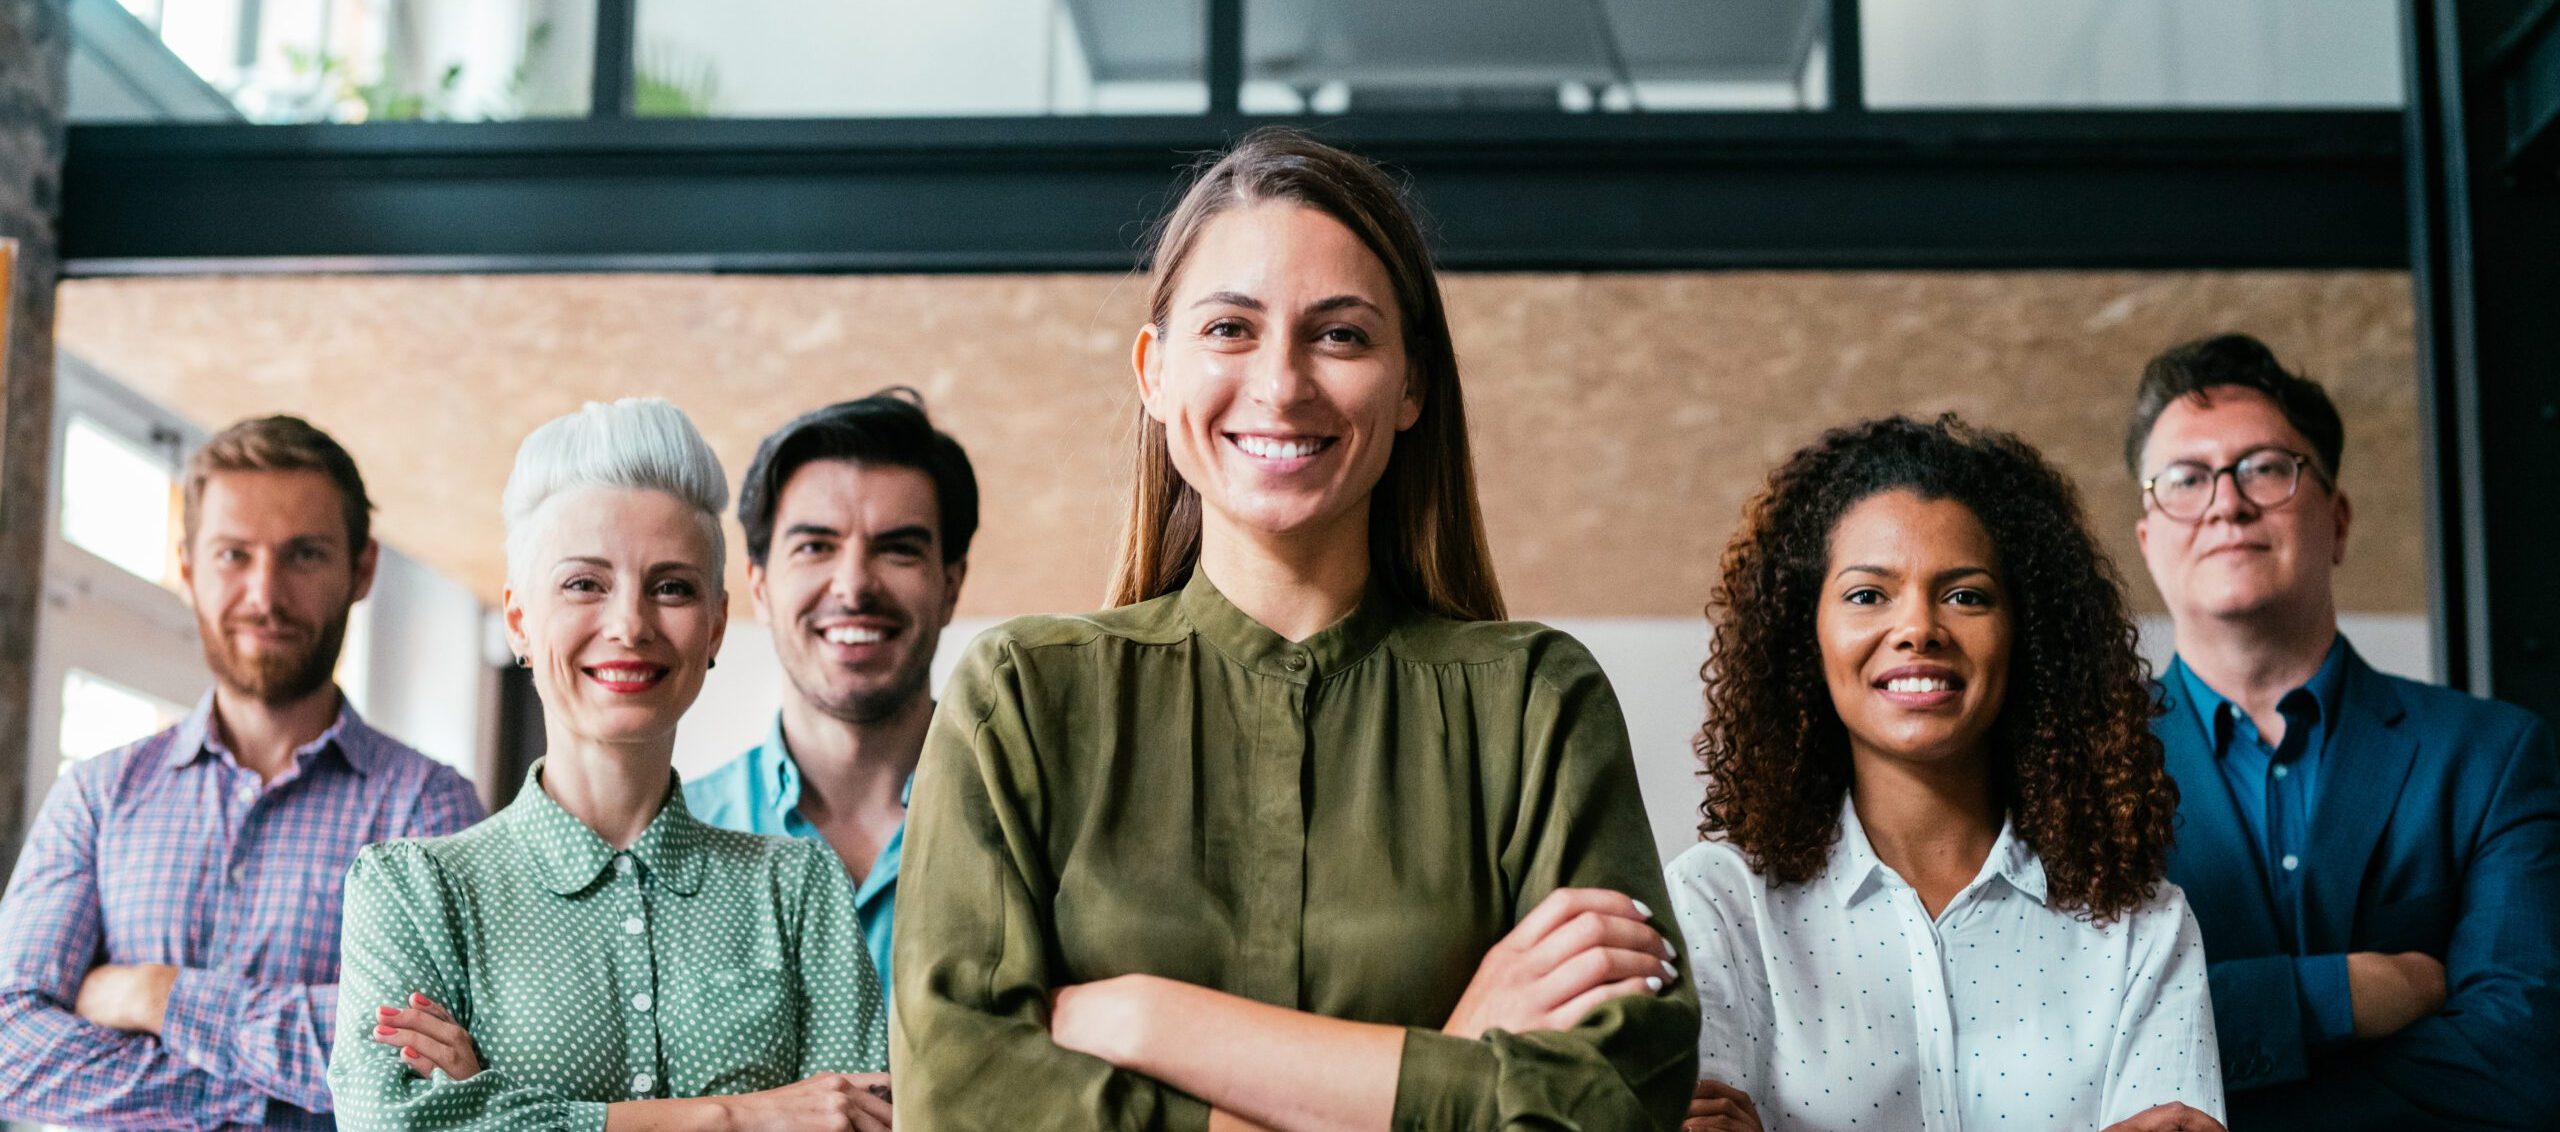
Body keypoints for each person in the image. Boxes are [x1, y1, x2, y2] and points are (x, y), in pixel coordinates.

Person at [890, 127, 1698, 1130]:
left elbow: (1613, 1101)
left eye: (1341, 334)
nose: (1281, 384)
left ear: (1411, 385)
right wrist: (1449, 1059)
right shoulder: (1018, 692)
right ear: (1155, 372)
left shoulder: (1535, 699)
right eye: (1229, 328)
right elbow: (959, 1098)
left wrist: (1146, 1020)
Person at [327, 398, 891, 1131]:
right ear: (521, 620)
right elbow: (390, 1122)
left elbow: (858, 1125)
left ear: (715, 625)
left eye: (672, 587)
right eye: (584, 584)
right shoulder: (414, 890)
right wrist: (736, 1116)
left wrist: (495, 1105)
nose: (630, 624)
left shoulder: (797, 888)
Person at [1668, 415, 2227, 1132]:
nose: (1918, 628)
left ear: (2029, 635)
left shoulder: (2142, 925)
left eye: (1966, 595)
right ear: (1804, 635)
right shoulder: (1719, 906)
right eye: (1868, 595)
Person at [0, 415, 485, 1129]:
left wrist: (159, 998)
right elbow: (11, 1047)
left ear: (362, 569)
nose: (265, 594)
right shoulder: (96, 799)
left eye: (305, 555)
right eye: (234, 554)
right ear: (190, 569)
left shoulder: (429, 808)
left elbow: (425, 1062)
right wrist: (267, 1094)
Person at [2125, 334, 2560, 1130]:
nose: (2227, 502)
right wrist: (2346, 995)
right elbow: (2064, 1035)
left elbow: (2521, 1065)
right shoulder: (2078, 769)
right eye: (2186, 479)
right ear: (2150, 539)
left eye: (2265, 467)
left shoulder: (2493, 758)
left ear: (2339, 517)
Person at [686, 388, 978, 1001]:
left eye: (898, 548)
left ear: (950, 585)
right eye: (816, 546)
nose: (853, 586)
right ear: (759, 587)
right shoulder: (673, 835)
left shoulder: (1039, 832)